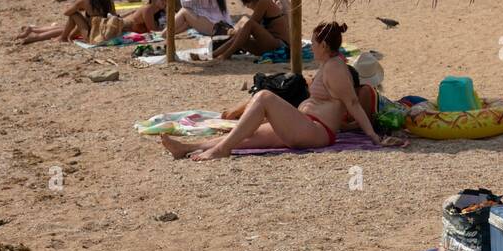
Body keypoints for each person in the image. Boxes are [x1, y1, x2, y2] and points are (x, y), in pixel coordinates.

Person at [161, 22, 406, 160]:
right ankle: (187, 148)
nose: (312, 47)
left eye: (314, 42)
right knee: (247, 136)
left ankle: (221, 150)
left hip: (317, 131)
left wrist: (373, 137)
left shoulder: (337, 69)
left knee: (265, 96)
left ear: (323, 45)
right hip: (306, 125)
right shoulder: (328, 65)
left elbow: (352, 104)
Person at [16, 0, 115, 44]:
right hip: (104, 33)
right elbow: (114, 16)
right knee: (67, 27)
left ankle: (47, 36)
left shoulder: (86, 0)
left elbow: (67, 13)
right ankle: (34, 30)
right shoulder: (109, 0)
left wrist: (75, 6)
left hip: (91, 35)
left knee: (73, 15)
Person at [211, 0, 287, 59]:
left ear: (250, 0)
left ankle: (225, 55)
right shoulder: (262, 2)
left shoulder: (263, 2)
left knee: (248, 25)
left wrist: (233, 31)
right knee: (240, 36)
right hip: (268, 44)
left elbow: (251, 25)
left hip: (280, 45)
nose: (246, 6)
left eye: (245, 4)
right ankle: (214, 54)